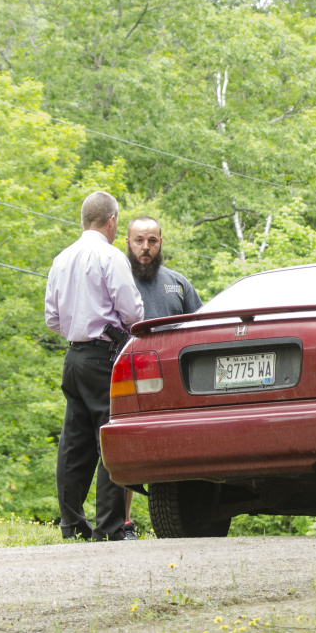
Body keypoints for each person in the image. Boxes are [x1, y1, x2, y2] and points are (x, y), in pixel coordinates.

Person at [45, 191, 144, 541]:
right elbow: (133, 312)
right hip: (104, 356)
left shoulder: (61, 258)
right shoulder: (110, 256)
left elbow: (52, 319)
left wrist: (78, 329)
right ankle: (110, 527)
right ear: (112, 220)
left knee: (74, 442)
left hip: (73, 357)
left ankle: (71, 523)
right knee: (110, 437)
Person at [121, 215, 203, 538]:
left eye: (152, 241)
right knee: (127, 448)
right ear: (127, 243)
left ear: (160, 244)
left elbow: (200, 327)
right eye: (139, 240)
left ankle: (189, 516)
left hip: (175, 382)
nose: (145, 248)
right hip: (129, 378)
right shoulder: (117, 281)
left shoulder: (178, 283)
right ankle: (123, 522)